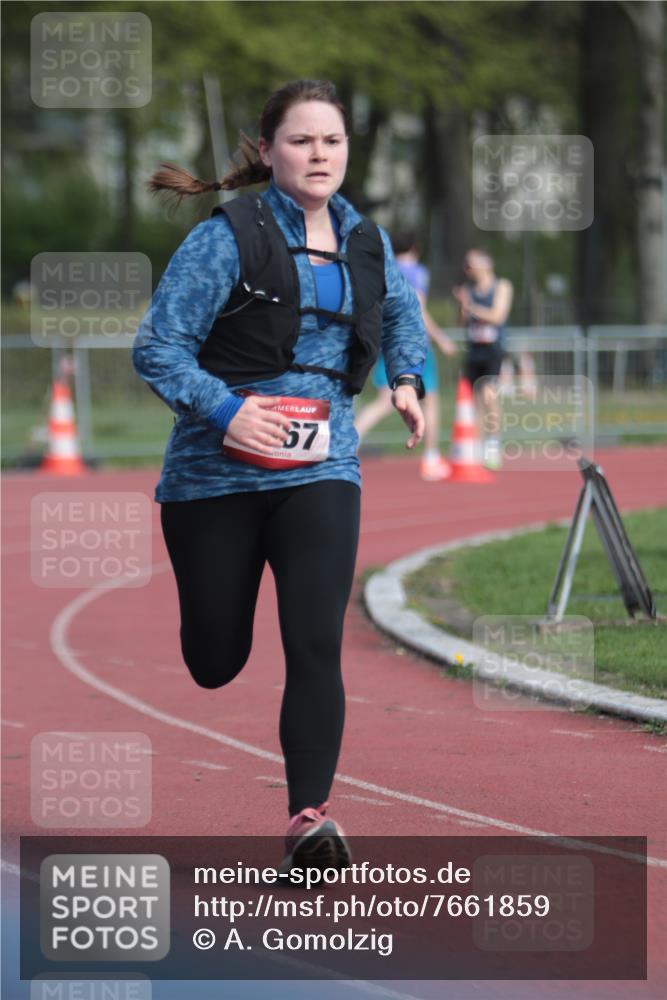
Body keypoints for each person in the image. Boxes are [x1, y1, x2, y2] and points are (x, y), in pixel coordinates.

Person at [132, 80, 427, 870]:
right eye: (301, 141)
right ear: (268, 151)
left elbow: (399, 314)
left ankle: (309, 817)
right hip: (212, 477)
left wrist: (407, 378)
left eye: (331, 141)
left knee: (314, 642)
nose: (318, 154)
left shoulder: (365, 237)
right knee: (215, 660)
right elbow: (156, 349)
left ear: (346, 151)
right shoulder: (224, 237)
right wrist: (229, 412)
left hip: (322, 464)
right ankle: (211, 632)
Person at [354, 232, 456, 481]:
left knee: (383, 401)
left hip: (384, 340)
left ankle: (348, 441)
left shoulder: (384, 267)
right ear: (415, 248)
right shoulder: (417, 272)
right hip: (412, 344)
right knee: (430, 401)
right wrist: (441, 338)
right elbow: (416, 310)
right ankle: (431, 458)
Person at [452, 249, 513, 470]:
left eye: (471, 264)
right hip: (474, 350)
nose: (468, 269)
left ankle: (493, 446)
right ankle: (473, 447)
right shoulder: (468, 290)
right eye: (466, 265)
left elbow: (498, 316)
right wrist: (462, 305)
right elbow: (461, 320)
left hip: (493, 351)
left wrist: (471, 307)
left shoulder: (501, 286)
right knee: (472, 401)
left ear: (485, 264)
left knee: (489, 397)